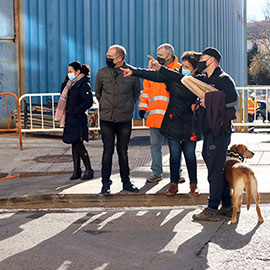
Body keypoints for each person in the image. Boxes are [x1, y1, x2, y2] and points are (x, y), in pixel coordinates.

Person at [138, 47, 238, 221]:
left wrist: (209, 99)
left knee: (214, 171)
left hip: (220, 130)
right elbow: (180, 78)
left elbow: (233, 99)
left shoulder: (223, 79)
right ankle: (227, 205)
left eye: (203, 58)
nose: (199, 61)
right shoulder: (204, 78)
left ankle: (212, 208)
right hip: (209, 129)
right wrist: (159, 68)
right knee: (216, 169)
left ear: (212, 60)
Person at [121, 51, 201, 196]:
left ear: (195, 69)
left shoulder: (200, 80)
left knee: (190, 155)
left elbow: (206, 96)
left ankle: (193, 184)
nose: (183, 68)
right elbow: (153, 75)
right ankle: (173, 184)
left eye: (187, 66)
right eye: (183, 65)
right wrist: (134, 71)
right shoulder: (174, 77)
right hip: (173, 122)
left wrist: (197, 105)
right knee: (174, 155)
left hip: (191, 124)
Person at [95, 44, 141, 195]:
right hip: (107, 119)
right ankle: (105, 183)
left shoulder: (132, 73)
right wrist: (107, 106)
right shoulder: (102, 73)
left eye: (110, 57)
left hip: (124, 119)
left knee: (123, 151)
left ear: (120, 58)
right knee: (107, 151)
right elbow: (98, 93)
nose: (107, 58)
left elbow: (135, 95)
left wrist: (126, 106)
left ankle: (126, 182)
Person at [138, 43, 185, 184]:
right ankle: (156, 173)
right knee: (155, 146)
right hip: (155, 115)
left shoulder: (179, 70)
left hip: (172, 116)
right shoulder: (152, 71)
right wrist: (142, 108)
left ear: (169, 56)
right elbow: (145, 91)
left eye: (161, 56)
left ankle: (176, 174)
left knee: (175, 148)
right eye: (157, 56)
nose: (158, 59)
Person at [56, 61, 94, 181]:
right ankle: (76, 170)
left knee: (78, 144)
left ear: (78, 72)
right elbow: (62, 92)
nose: (69, 74)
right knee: (74, 143)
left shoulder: (83, 84)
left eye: (71, 71)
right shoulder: (70, 84)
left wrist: (76, 110)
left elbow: (88, 101)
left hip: (77, 118)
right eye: (68, 72)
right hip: (70, 118)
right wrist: (66, 80)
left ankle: (89, 169)